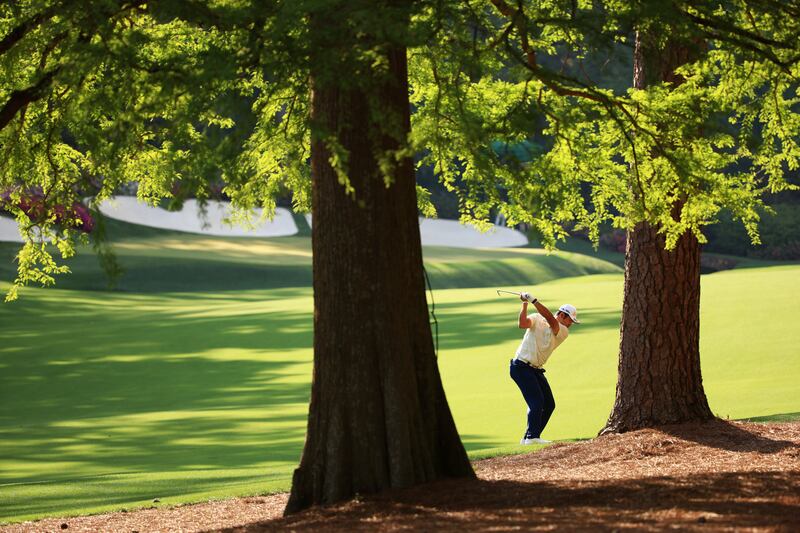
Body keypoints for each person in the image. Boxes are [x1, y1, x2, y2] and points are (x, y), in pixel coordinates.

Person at [509, 292, 579, 445]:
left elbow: (550, 320)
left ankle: (529, 436)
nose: (570, 324)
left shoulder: (562, 330)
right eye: (570, 320)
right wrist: (525, 304)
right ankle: (532, 437)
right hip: (520, 366)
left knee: (549, 404)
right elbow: (522, 324)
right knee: (537, 401)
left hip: (534, 369)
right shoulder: (537, 318)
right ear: (562, 315)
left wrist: (533, 300)